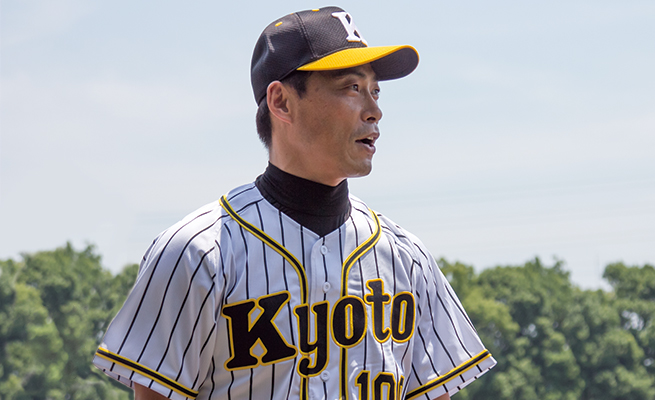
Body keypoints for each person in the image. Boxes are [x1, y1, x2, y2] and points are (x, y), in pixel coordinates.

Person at [93, 6, 496, 400]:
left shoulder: (407, 258)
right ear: (282, 102)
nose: (375, 111)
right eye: (352, 88)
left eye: (375, 91)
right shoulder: (197, 252)